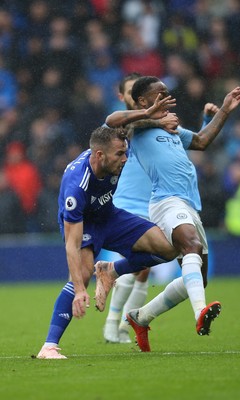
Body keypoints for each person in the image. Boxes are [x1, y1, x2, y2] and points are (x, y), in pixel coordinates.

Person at [96, 76, 240, 351]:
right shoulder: (135, 129)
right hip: (165, 201)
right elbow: (112, 119)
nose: (168, 96)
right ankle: (199, 313)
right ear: (142, 101)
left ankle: (140, 317)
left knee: (199, 277)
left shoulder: (173, 127)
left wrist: (224, 110)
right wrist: (153, 118)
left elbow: (201, 141)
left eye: (168, 91)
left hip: (189, 203)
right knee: (190, 246)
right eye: (160, 92)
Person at [37, 98, 180, 360]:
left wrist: (152, 117)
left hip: (110, 216)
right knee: (80, 274)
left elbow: (115, 119)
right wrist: (81, 290)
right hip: (85, 224)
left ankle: (112, 271)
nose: (125, 159)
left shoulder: (107, 142)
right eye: (120, 154)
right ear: (100, 155)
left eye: (126, 152)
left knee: (168, 249)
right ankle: (49, 346)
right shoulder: (76, 188)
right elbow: (71, 243)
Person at [103, 72, 179, 344]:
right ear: (123, 96)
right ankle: (114, 323)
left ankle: (123, 324)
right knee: (137, 263)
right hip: (127, 202)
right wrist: (156, 118)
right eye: (129, 92)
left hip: (152, 201)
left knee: (144, 267)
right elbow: (121, 126)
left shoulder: (154, 124)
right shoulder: (124, 126)